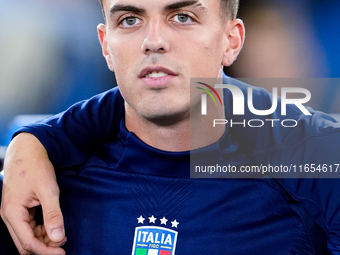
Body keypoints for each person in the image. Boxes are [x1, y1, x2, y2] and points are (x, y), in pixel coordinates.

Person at [1, 0, 340, 254]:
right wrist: (30, 142)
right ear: (106, 45)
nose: (154, 41)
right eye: (130, 20)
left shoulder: (314, 167)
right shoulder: (40, 187)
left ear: (231, 41)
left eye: (182, 17)